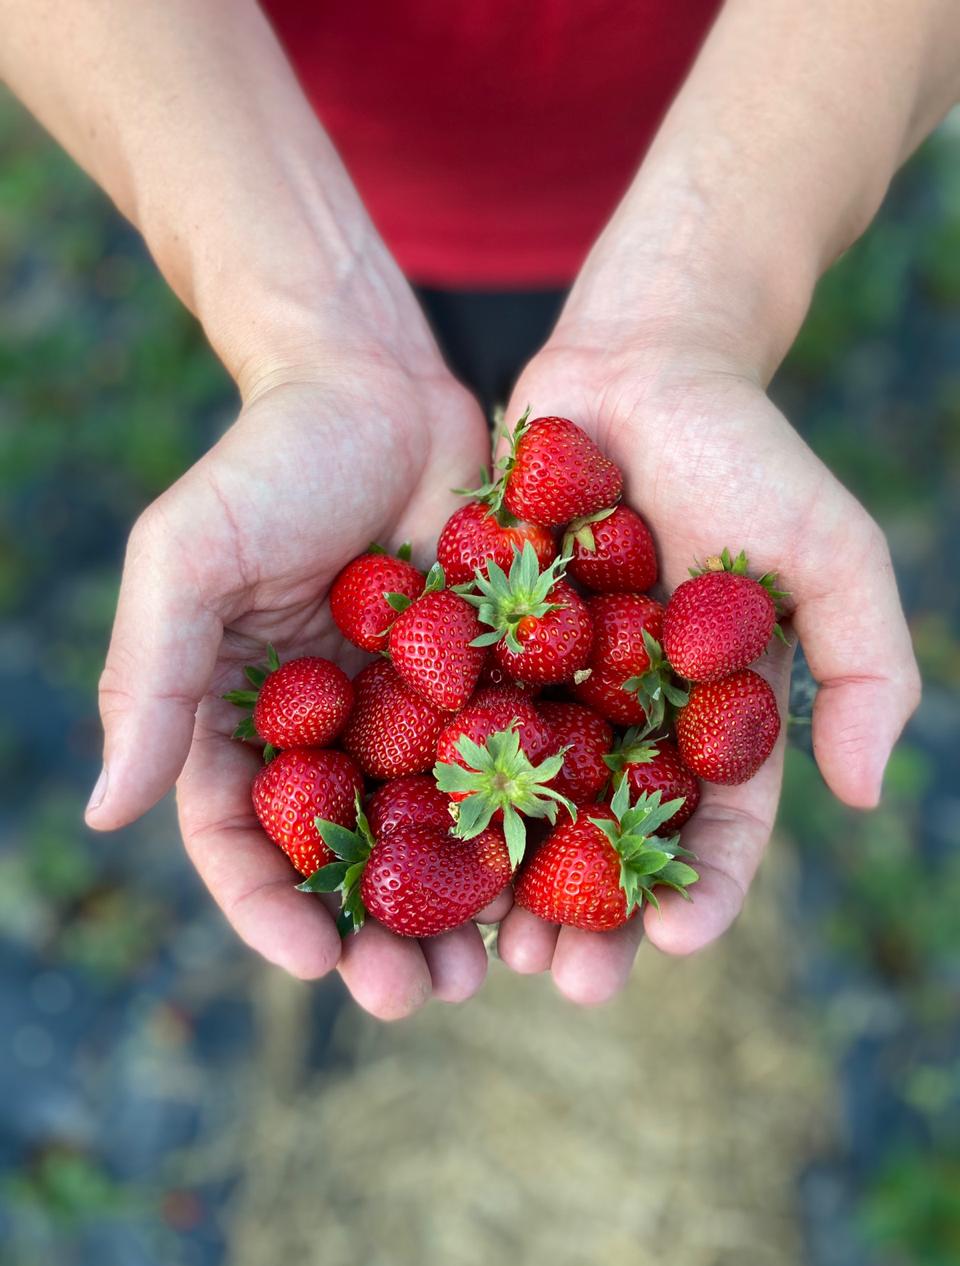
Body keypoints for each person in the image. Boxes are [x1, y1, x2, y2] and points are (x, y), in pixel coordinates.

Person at [1, 0, 941, 1021]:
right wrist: (306, 324)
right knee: (502, 447)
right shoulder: (498, 664)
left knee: (528, 445)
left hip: (745, 140)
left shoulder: (514, 656)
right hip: (277, 156)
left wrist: (695, 308)